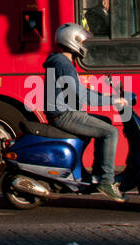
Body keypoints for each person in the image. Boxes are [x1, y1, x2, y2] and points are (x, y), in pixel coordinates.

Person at [41, 23, 127, 202]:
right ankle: (106, 181)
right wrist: (112, 101)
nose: (84, 46)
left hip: (66, 112)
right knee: (110, 132)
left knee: (105, 122)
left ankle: (95, 173)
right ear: (72, 41)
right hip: (65, 115)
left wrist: (108, 96)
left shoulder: (61, 61)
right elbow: (80, 95)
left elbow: (79, 90)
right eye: (82, 41)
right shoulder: (62, 63)